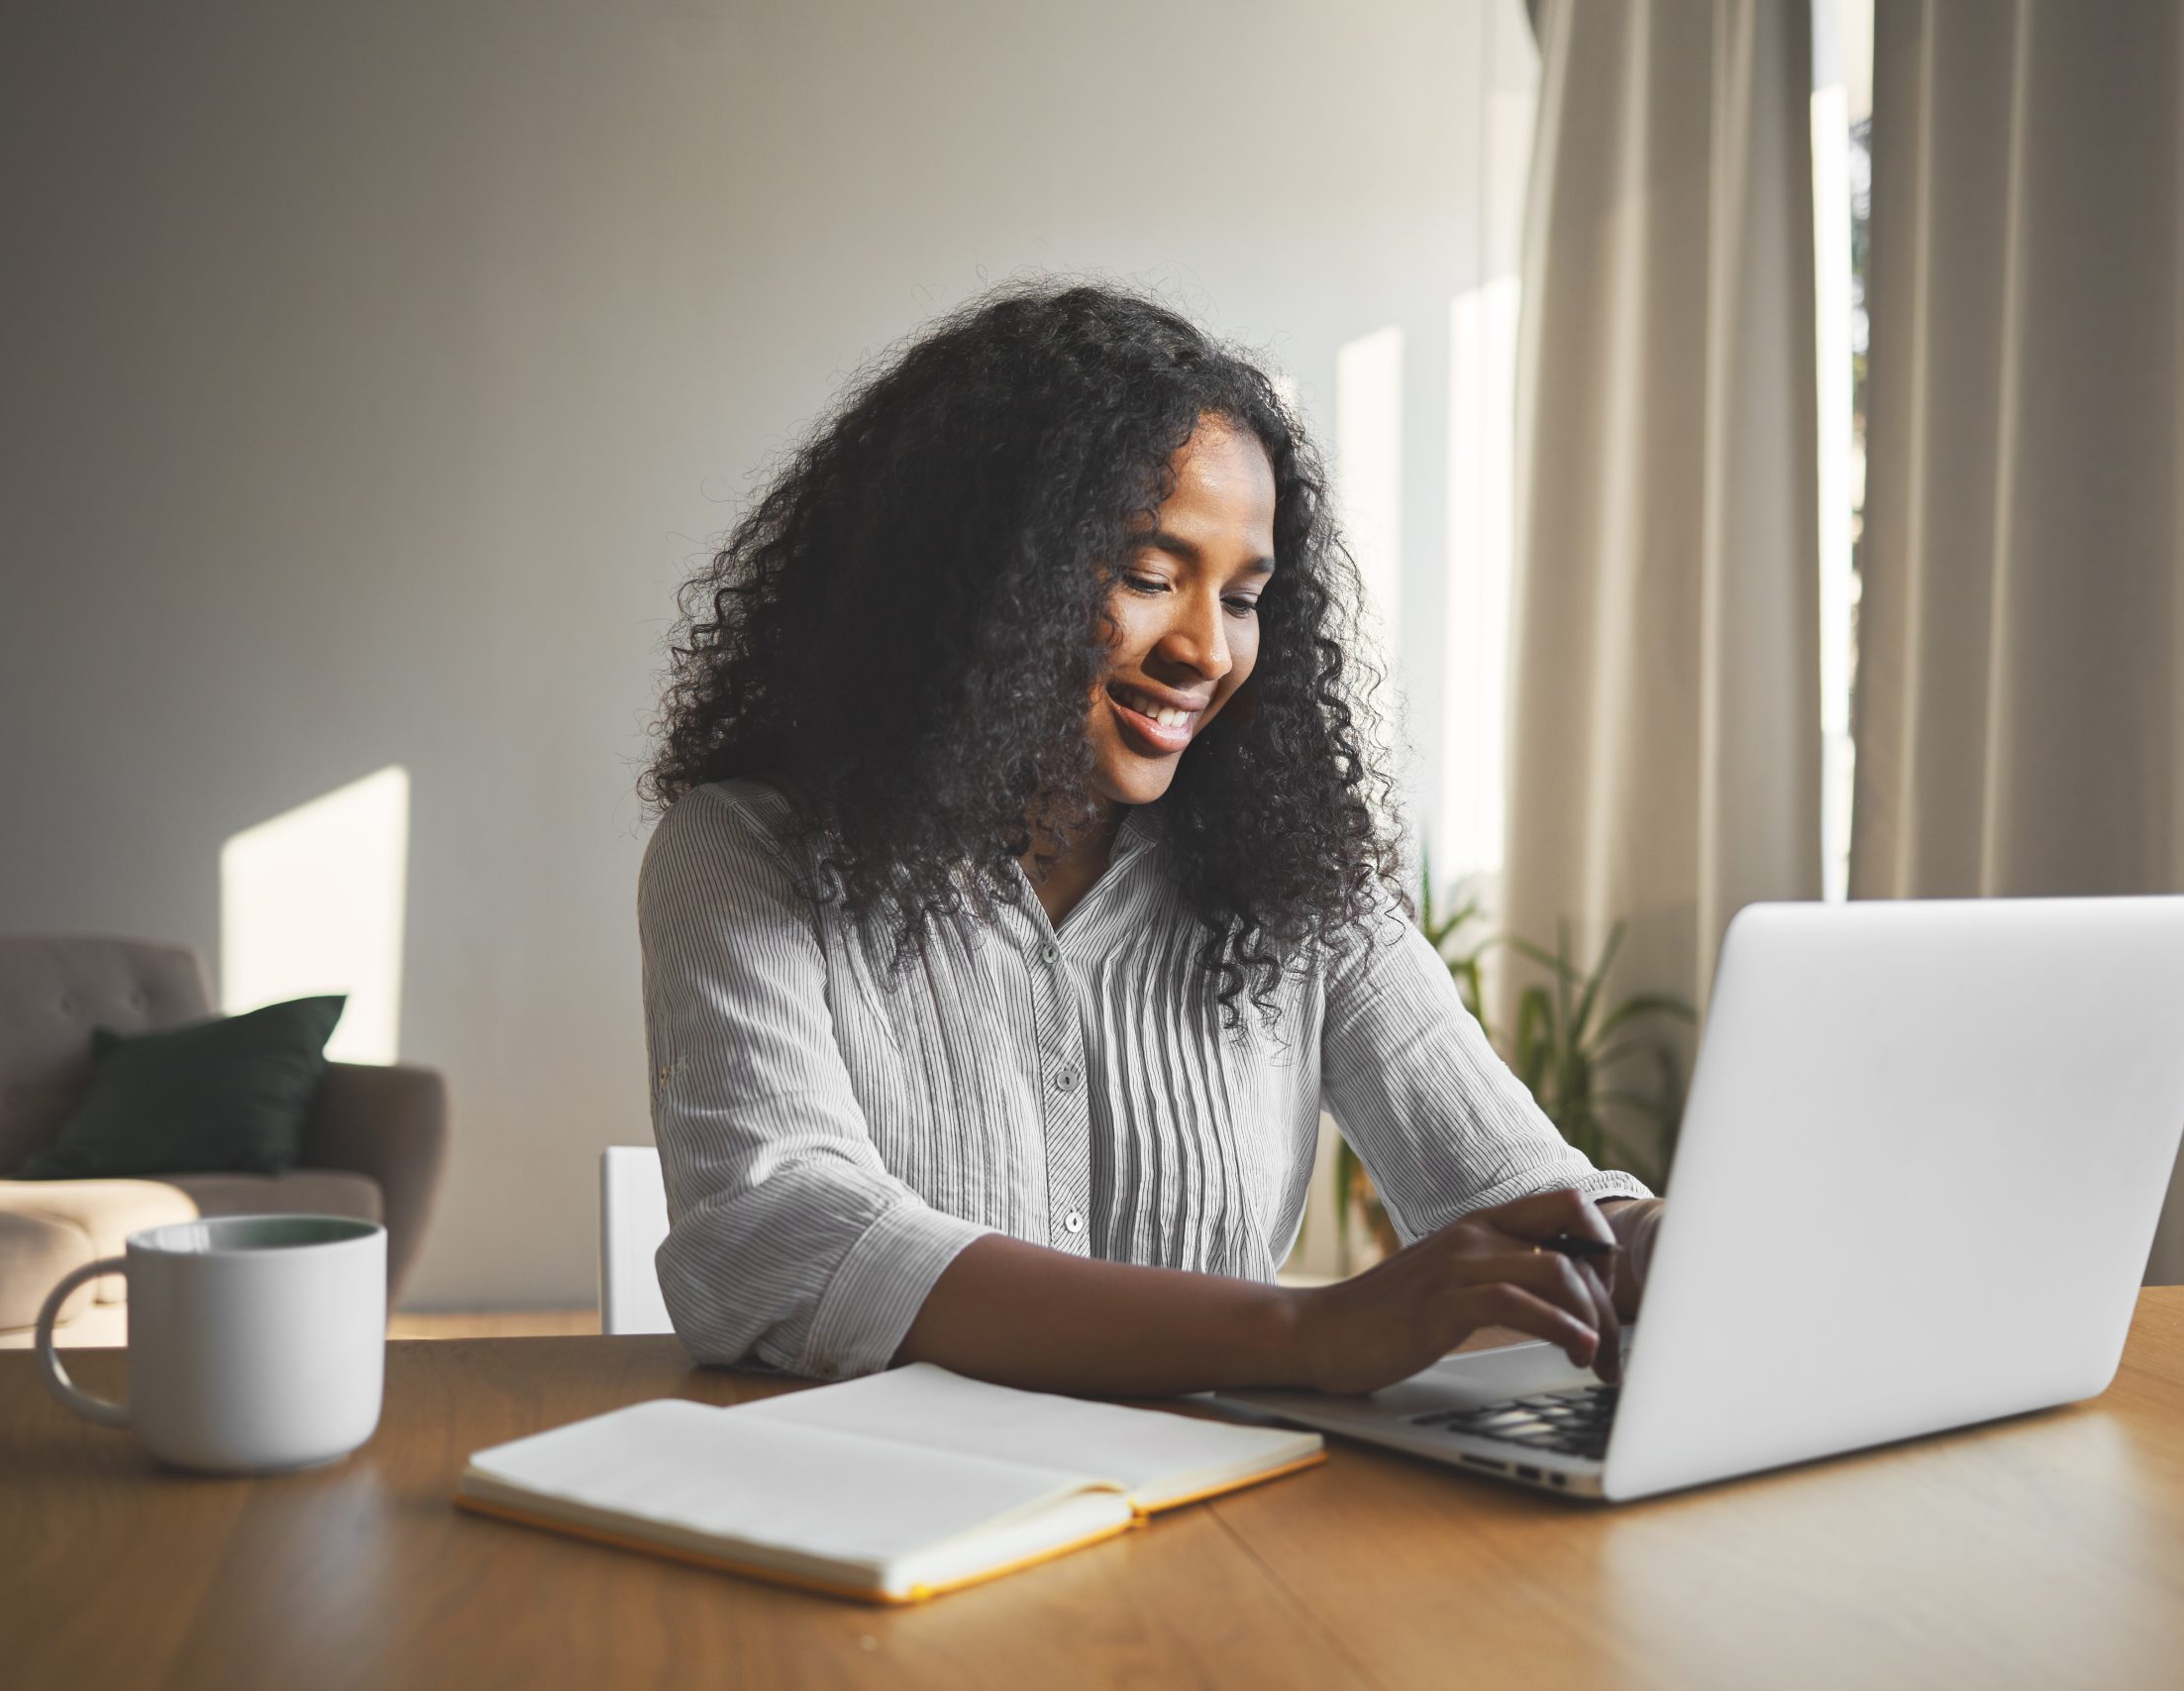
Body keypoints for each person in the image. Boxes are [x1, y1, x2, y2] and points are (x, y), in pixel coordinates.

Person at [638, 282, 1663, 1397]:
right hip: (893, 1525)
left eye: (1243, 597)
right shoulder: (746, 852)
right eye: (1148, 576)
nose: (1206, 651)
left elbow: (1516, 1191)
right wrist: (1299, 1334)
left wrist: (1660, 1247)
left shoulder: (1301, 889)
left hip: (1219, 1533)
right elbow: (783, 1238)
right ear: (978, 575)